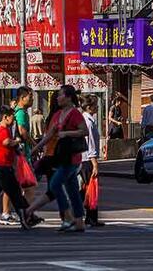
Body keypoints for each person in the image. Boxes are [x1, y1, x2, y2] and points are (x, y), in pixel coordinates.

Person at [26, 85, 89, 233]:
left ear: (68, 97)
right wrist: (36, 148)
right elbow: (49, 135)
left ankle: (68, 218)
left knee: (54, 185)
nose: (58, 98)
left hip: (71, 158)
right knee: (72, 190)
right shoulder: (58, 114)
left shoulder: (75, 113)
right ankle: (79, 222)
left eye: (60, 95)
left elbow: (84, 131)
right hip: (61, 157)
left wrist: (67, 133)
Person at [0, 86, 36, 226]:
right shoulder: (20, 113)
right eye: (30, 97)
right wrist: (34, 143)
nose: (32, 99)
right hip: (20, 154)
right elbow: (22, 131)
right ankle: (15, 212)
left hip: (18, 153)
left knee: (16, 185)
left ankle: (14, 212)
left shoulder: (18, 111)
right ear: (23, 98)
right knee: (23, 185)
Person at [80, 95, 103, 227]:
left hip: (84, 159)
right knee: (89, 189)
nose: (97, 107)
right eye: (95, 105)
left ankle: (91, 217)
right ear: (89, 107)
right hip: (87, 159)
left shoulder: (88, 120)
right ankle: (90, 217)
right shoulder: (88, 122)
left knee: (87, 189)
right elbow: (91, 144)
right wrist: (94, 162)